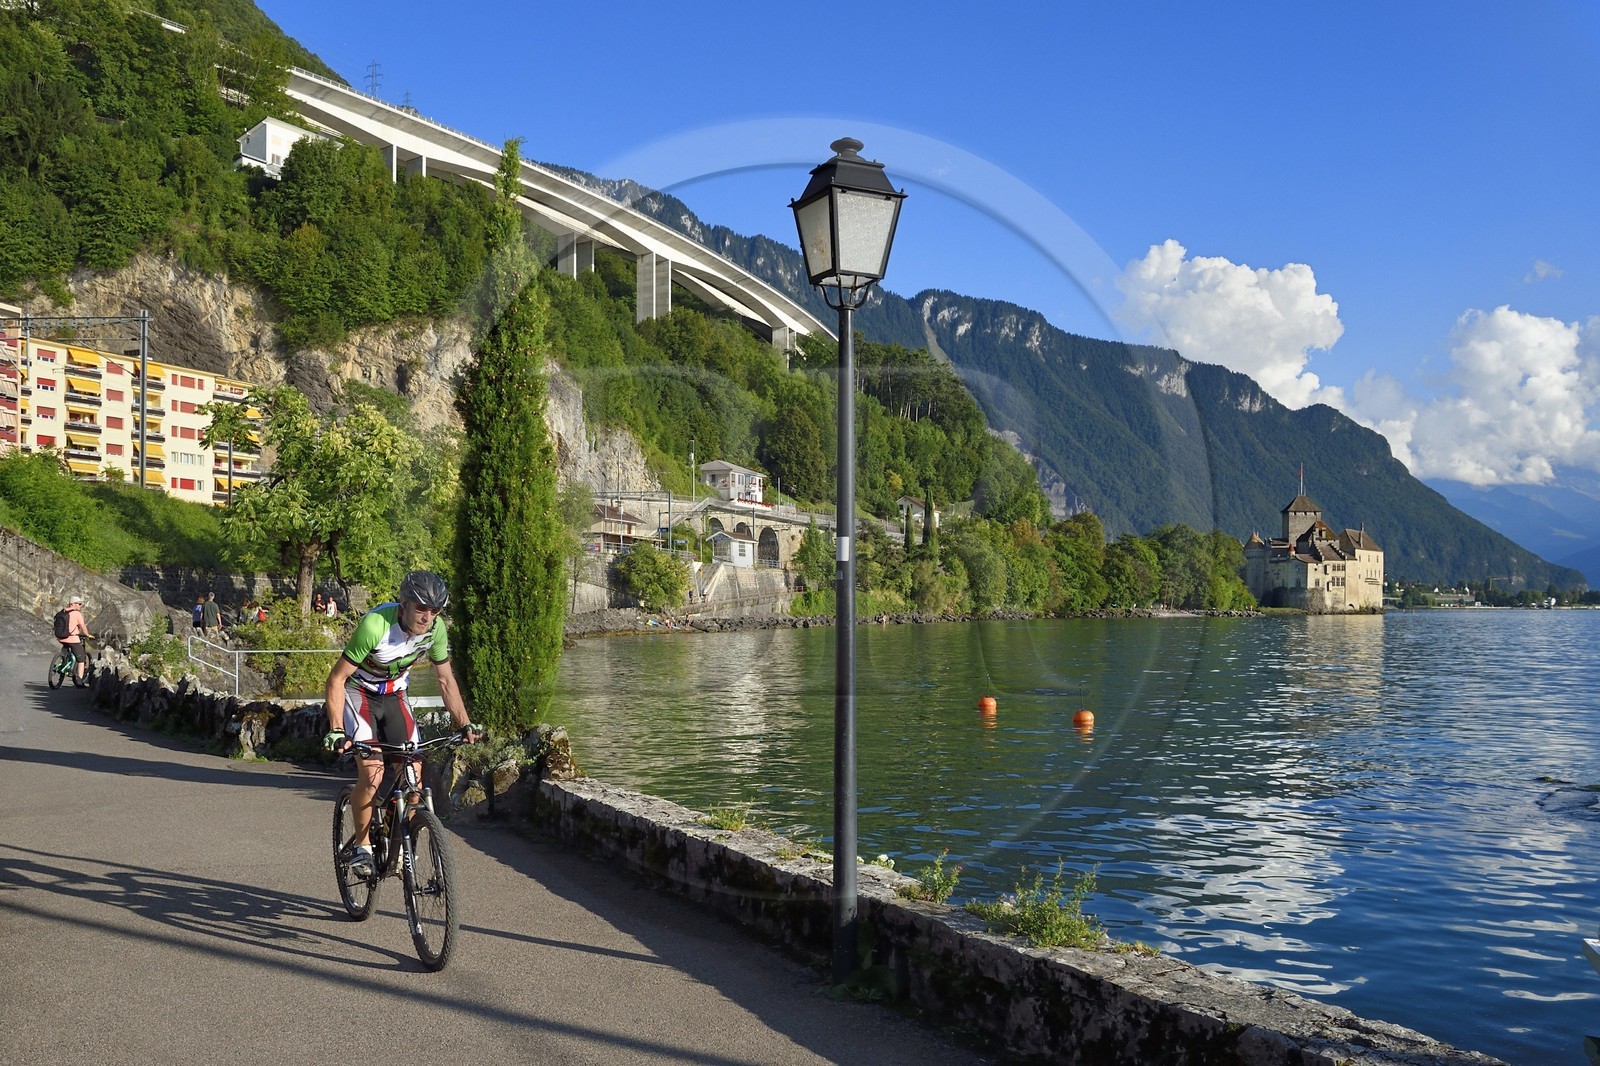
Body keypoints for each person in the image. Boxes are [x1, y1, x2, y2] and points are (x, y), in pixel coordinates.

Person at [323, 570, 477, 878]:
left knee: (414, 774)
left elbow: (445, 680)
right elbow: (336, 679)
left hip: (395, 695)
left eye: (435, 611)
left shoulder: (435, 631)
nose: (428, 617)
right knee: (372, 772)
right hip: (360, 693)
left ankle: (399, 837)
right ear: (403, 603)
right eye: (421, 608)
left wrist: (464, 724)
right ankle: (363, 847)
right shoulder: (376, 624)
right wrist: (337, 729)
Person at [57, 594, 94, 687]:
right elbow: (83, 627)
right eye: (79, 604)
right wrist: (88, 635)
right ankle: (80, 681)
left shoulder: (63, 611)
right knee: (81, 660)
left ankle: (62, 665)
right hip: (72, 639)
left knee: (65, 653)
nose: (80, 606)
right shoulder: (77, 614)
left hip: (61, 638)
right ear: (73, 604)